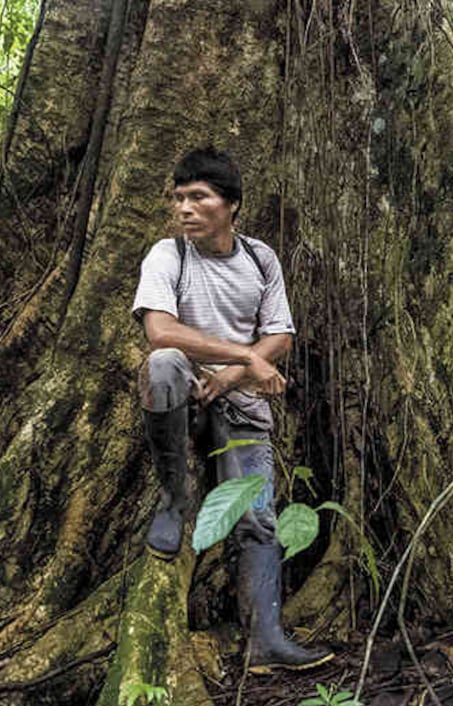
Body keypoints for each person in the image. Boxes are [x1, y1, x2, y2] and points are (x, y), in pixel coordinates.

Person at [131, 147, 334, 673]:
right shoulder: (167, 255)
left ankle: (266, 641)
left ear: (232, 205)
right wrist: (243, 355)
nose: (185, 209)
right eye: (179, 198)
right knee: (164, 364)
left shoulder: (261, 259)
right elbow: (160, 331)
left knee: (259, 519)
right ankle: (175, 499)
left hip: (241, 406)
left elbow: (281, 335)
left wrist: (234, 375)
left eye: (199, 197)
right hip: (184, 402)